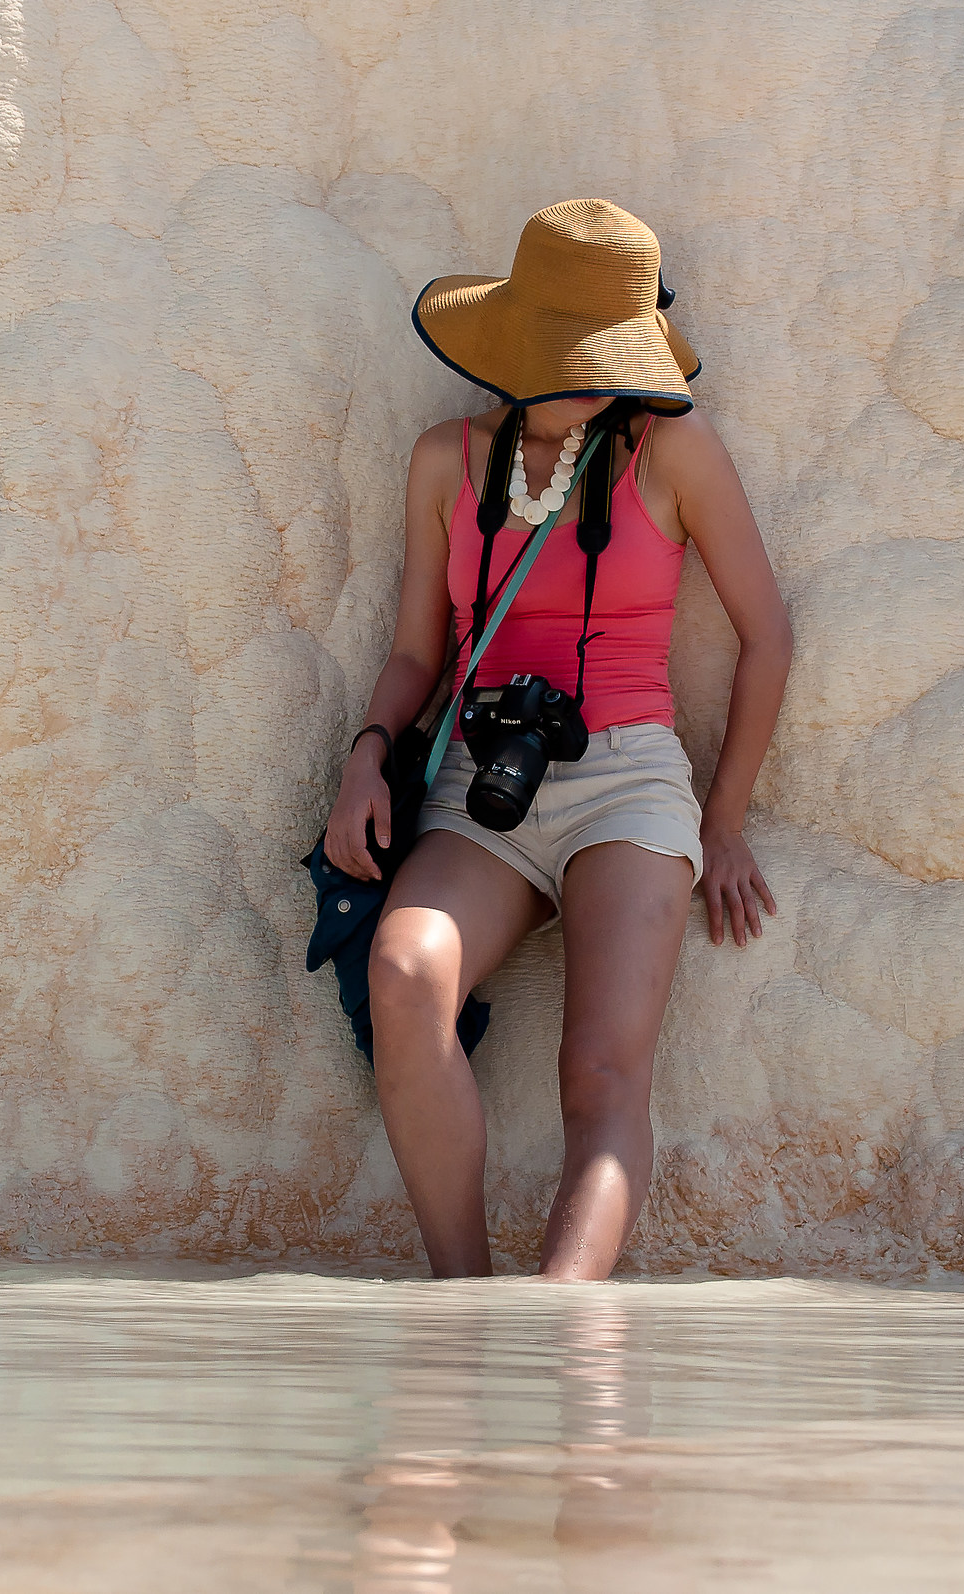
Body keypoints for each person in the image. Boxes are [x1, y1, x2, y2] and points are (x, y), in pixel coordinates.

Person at [322, 199, 792, 1280]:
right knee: (405, 974)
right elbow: (416, 652)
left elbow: (768, 636)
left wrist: (722, 822)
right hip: (480, 779)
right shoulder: (445, 461)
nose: (597, 378)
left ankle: (557, 1323)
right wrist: (365, 756)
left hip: (627, 780)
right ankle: (463, 1304)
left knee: (603, 1075)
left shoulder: (673, 451)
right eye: (576, 354)